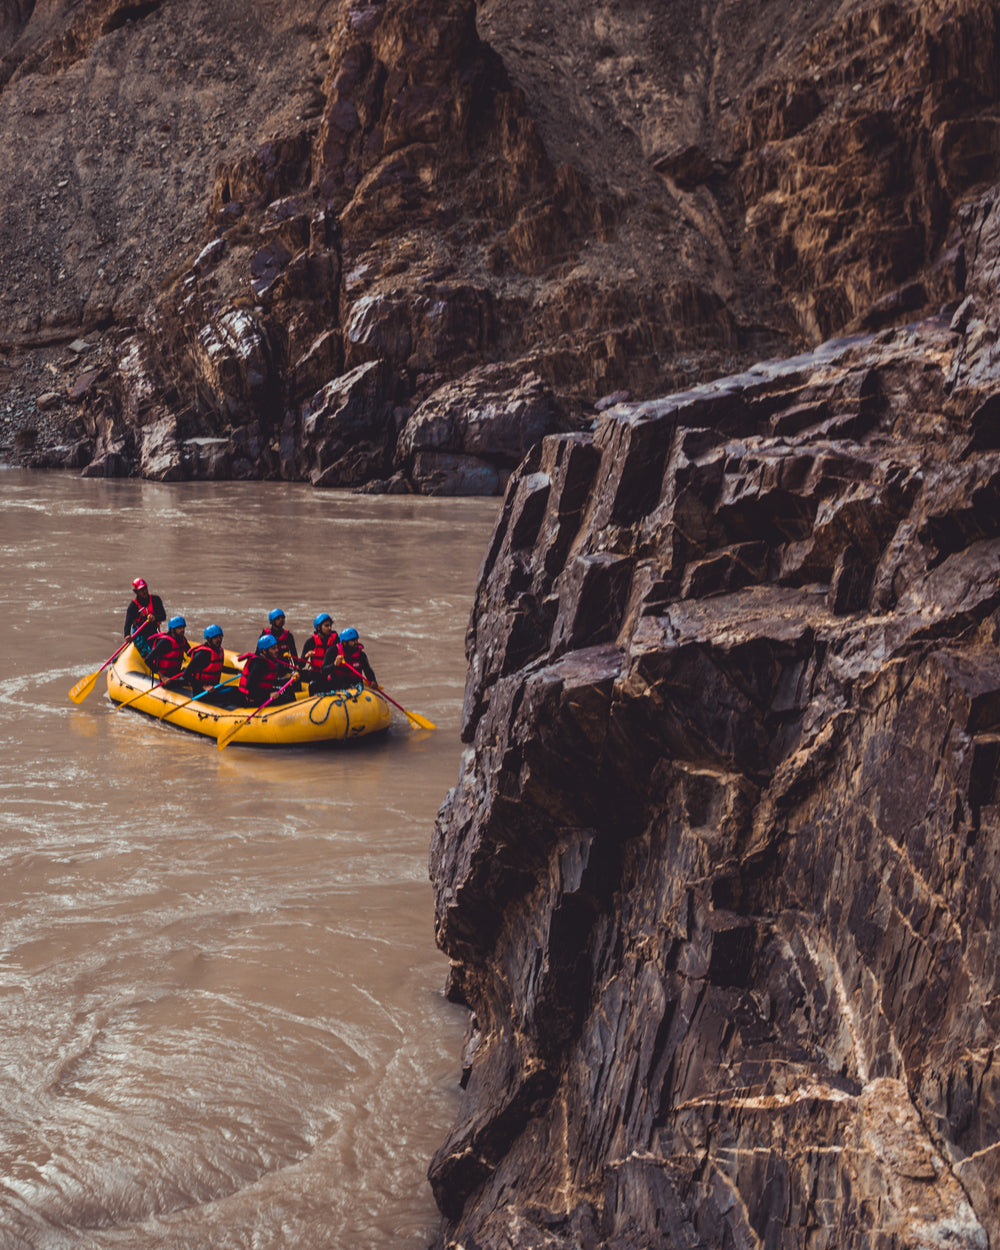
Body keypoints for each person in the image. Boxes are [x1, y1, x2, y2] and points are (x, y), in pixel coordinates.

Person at [182, 624, 239, 705]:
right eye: (215, 638)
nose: (219, 640)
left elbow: (218, 667)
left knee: (236, 690)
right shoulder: (202, 654)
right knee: (234, 692)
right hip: (202, 693)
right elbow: (186, 675)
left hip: (214, 688)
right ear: (208, 639)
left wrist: (237, 672)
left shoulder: (218, 650)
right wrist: (203, 686)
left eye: (220, 637)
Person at [238, 634, 298, 707]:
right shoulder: (259, 664)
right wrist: (268, 695)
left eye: (276, 648)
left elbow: (271, 681)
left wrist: (290, 679)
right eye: (273, 648)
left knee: (288, 689)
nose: (277, 650)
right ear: (264, 651)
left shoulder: (266, 662)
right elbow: (250, 689)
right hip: (253, 699)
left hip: (261, 695)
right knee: (287, 698)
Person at [321, 626, 379, 691]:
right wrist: (334, 665)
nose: (356, 642)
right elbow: (323, 671)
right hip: (336, 684)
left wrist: (373, 681)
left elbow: (368, 671)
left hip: (355, 685)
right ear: (344, 642)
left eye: (356, 639)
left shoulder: (361, 655)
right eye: (353, 640)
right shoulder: (333, 651)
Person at [124, 577, 166, 656]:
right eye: (141, 590)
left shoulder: (155, 600)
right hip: (139, 634)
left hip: (153, 632)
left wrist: (155, 617)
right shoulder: (133, 606)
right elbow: (128, 622)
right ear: (136, 592)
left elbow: (163, 616)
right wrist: (127, 635)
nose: (145, 591)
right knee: (148, 653)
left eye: (145, 588)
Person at [146, 615, 191, 688]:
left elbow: (190, 653)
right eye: (179, 628)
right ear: (172, 630)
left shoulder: (182, 639)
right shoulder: (165, 642)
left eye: (183, 627)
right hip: (167, 677)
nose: (182, 630)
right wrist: (162, 677)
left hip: (177, 673)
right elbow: (148, 660)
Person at [301, 612, 338, 693]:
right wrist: (306, 656)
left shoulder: (336, 640)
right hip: (316, 673)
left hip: (331, 674)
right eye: (326, 626)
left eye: (330, 626)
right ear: (318, 627)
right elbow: (301, 665)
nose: (329, 628)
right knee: (298, 674)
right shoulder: (311, 642)